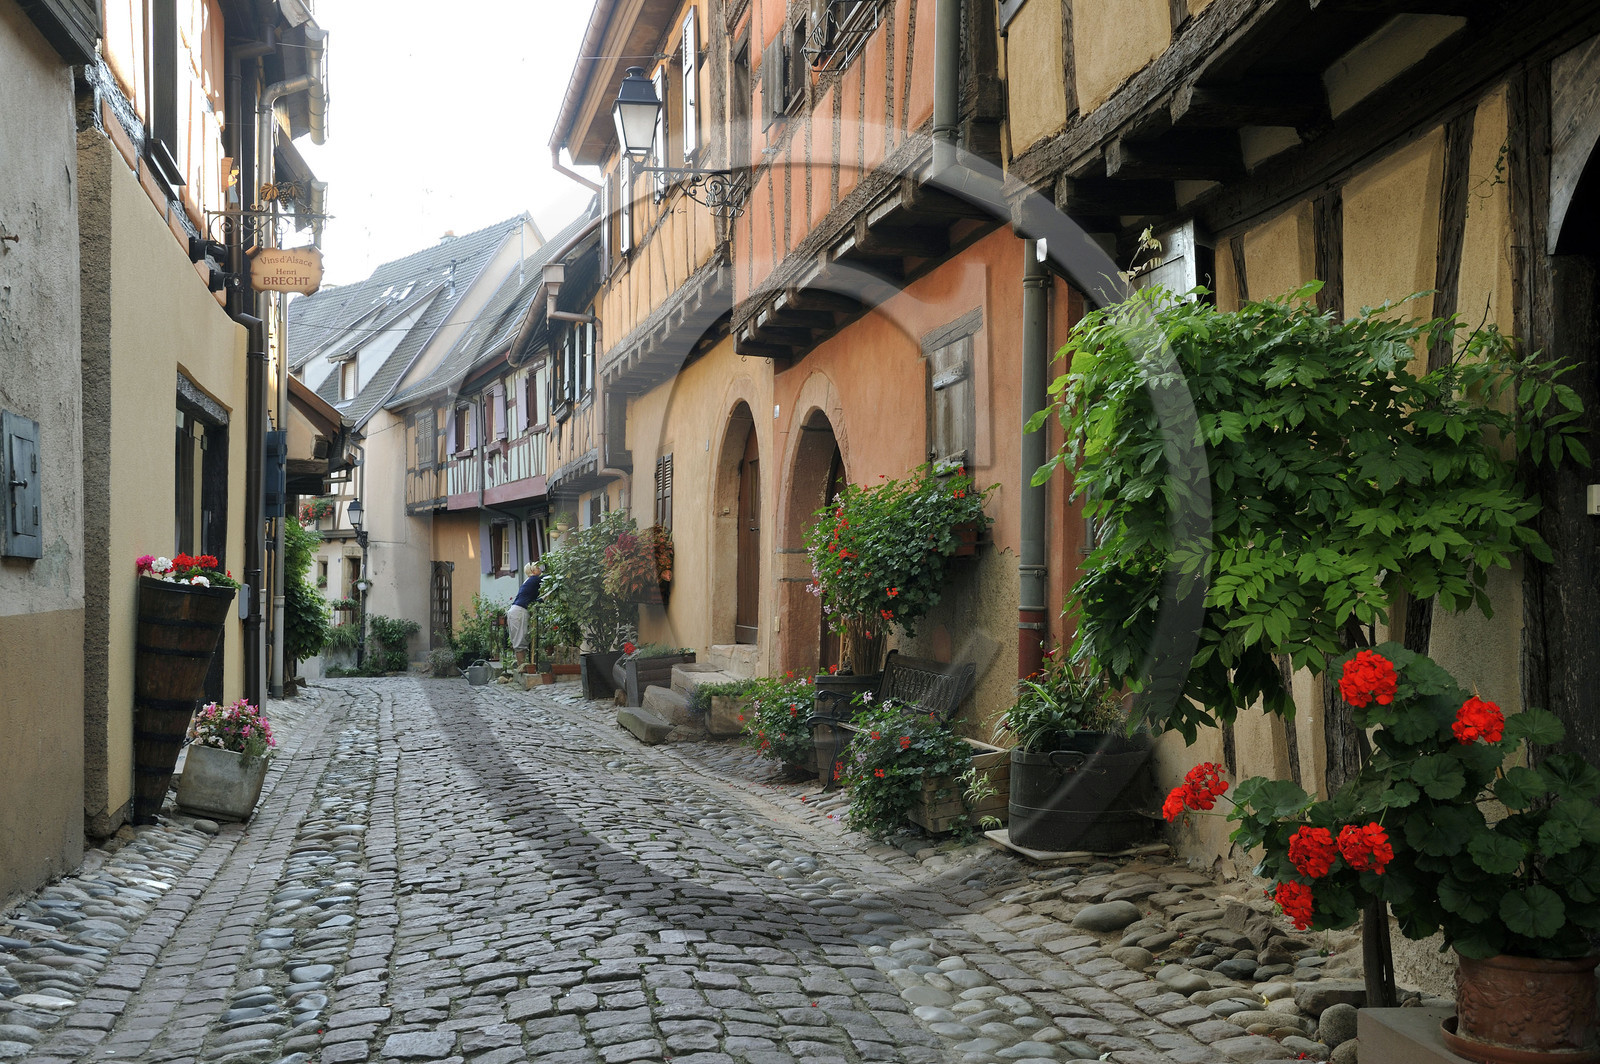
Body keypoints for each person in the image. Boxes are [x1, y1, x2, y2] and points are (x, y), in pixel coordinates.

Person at [507, 562, 542, 665]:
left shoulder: (529, 581)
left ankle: (522, 667)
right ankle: (522, 668)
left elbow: (532, 600)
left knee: (520, 641)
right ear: (533, 571)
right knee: (520, 642)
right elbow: (549, 578)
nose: (540, 569)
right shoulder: (534, 579)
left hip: (516, 611)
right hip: (519, 612)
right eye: (538, 567)